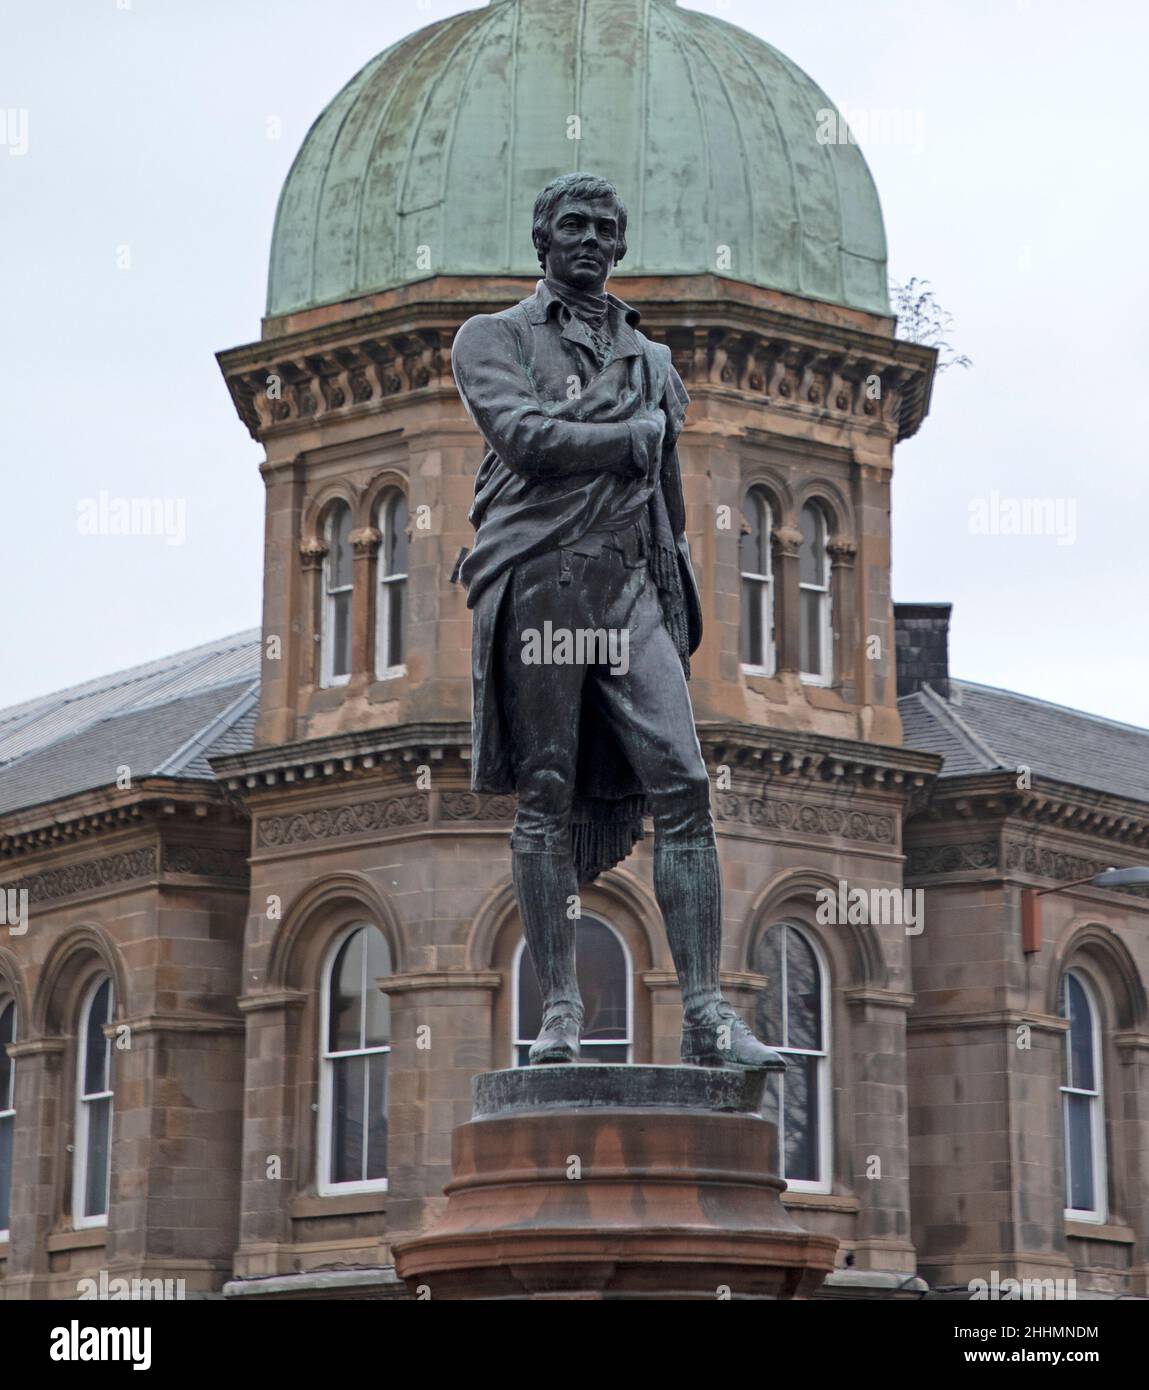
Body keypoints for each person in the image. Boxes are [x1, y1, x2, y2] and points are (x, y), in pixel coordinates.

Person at [453, 172, 780, 1070]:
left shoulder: (653, 361)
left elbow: (666, 504)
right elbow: (521, 434)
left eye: (604, 226)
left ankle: (708, 1012)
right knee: (547, 793)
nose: (589, 238)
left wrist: (675, 602)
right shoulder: (494, 338)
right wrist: (623, 438)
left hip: (629, 584)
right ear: (542, 240)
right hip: (542, 580)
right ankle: (558, 1009)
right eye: (572, 225)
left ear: (620, 244)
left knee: (684, 782)